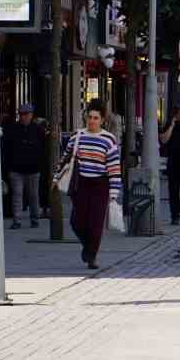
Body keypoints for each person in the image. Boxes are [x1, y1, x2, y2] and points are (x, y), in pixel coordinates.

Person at [61, 101, 122, 271]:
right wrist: (56, 179)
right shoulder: (77, 136)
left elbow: (114, 167)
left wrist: (114, 192)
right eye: (90, 117)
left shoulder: (108, 140)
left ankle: (91, 256)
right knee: (76, 222)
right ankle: (87, 246)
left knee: (95, 223)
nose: (92, 121)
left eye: (96, 118)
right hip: (80, 183)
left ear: (102, 120)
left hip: (100, 184)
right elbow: (66, 159)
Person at [2, 103, 47, 230]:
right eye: (22, 114)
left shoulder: (37, 130)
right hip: (17, 168)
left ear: (31, 115)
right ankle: (17, 219)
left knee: (33, 195)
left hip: (32, 168)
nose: (24, 117)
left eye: (26, 114)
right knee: (18, 194)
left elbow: (43, 148)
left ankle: (34, 218)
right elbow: (7, 148)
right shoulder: (13, 129)